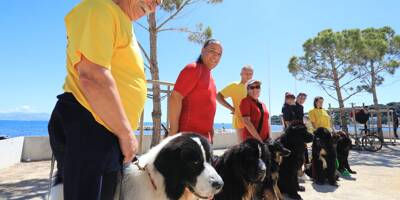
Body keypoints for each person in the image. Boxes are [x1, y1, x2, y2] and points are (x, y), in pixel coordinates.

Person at [47, 0, 162, 199]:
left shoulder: (120, 19)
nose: (155, 5)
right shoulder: (99, 8)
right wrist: (126, 134)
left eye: (160, 1)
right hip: (90, 122)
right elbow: (92, 76)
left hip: (106, 129)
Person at [168, 39, 223, 142]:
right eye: (212, 50)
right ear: (202, 50)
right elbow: (175, 98)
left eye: (219, 54)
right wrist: (173, 132)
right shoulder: (194, 69)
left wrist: (211, 132)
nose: (216, 56)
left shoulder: (211, 78)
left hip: (203, 141)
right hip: (187, 140)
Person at [217, 65, 254, 143]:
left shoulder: (253, 87)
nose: (248, 76)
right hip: (240, 120)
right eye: (246, 73)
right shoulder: (234, 85)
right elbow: (218, 96)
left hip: (252, 121)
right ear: (241, 74)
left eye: (250, 74)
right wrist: (231, 108)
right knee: (242, 145)